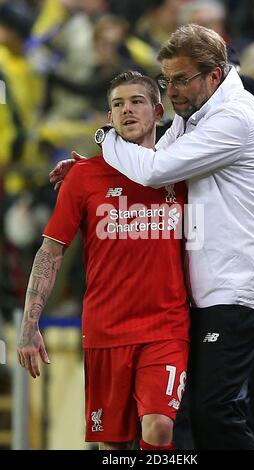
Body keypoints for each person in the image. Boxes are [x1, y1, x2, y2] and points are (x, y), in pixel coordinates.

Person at [51, 24, 254, 450]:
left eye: (180, 79)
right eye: (166, 80)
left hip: (238, 288)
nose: (171, 90)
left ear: (214, 75)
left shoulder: (235, 116)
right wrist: (94, 173)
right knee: (198, 416)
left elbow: (156, 171)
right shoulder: (196, 114)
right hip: (210, 289)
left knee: (218, 409)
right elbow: (153, 158)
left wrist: (105, 141)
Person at [17, 71, 190, 451]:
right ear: (108, 118)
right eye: (117, 104)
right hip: (106, 330)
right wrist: (30, 324)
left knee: (159, 426)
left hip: (165, 327)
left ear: (158, 112)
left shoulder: (183, 171)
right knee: (112, 446)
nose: (127, 110)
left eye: (137, 101)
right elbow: (50, 251)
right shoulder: (84, 177)